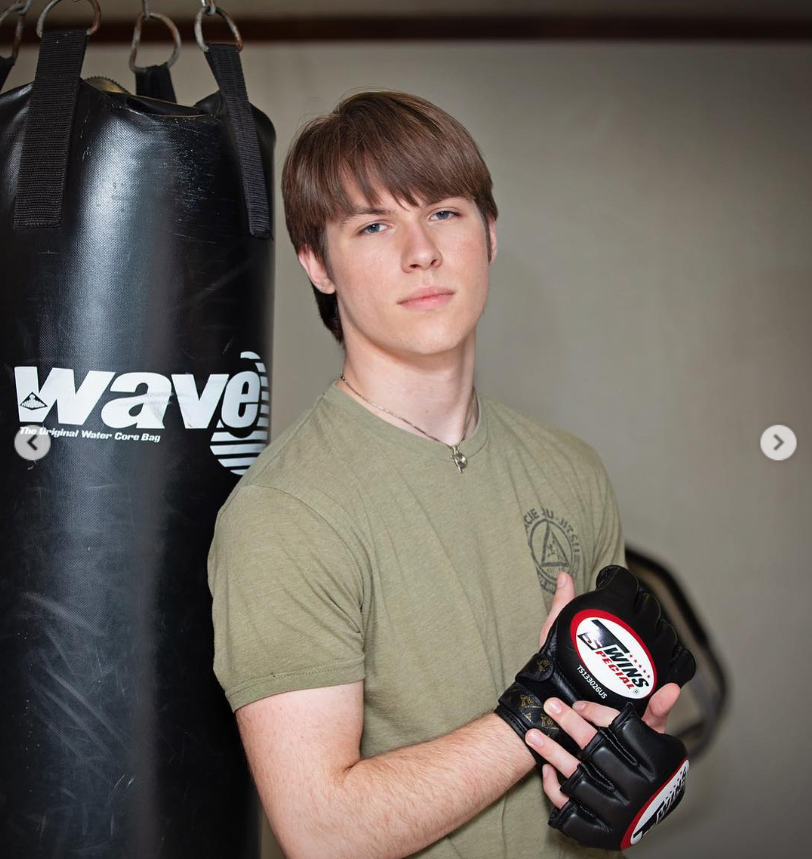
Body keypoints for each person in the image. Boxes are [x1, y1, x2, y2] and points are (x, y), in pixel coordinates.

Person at [207, 90, 682, 859]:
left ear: (489, 233)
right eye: (373, 225)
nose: (420, 250)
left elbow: (603, 726)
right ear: (317, 264)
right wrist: (542, 707)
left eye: (444, 212)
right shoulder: (284, 513)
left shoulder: (572, 470)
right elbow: (323, 832)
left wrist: (625, 730)